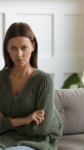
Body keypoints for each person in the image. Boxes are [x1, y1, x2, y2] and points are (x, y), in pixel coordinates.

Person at [0, 22, 63, 150]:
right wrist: (24, 120)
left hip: (36, 142)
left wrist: (7, 123)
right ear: (7, 47)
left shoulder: (44, 80)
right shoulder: (1, 79)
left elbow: (42, 127)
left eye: (24, 47)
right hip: (4, 140)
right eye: (13, 48)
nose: (19, 54)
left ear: (33, 46)